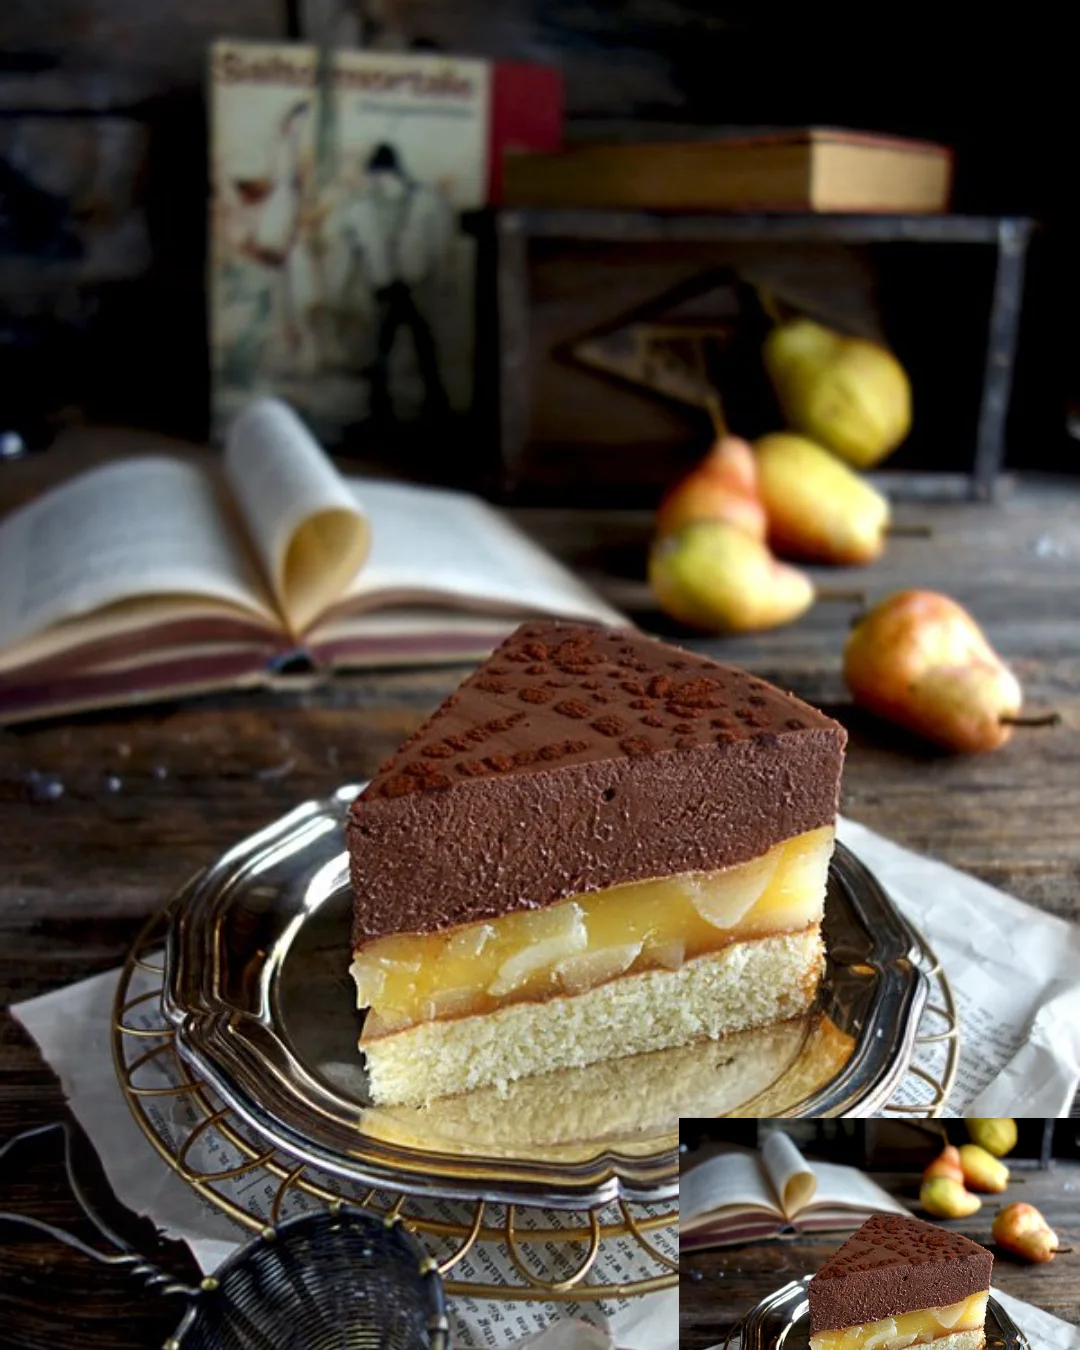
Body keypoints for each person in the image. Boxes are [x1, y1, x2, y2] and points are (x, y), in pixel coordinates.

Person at [341, 142, 454, 424]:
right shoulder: (362, 207)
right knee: (381, 347)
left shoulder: (424, 201)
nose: (377, 183)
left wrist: (439, 278)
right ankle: (380, 404)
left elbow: (439, 245)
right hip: (386, 285)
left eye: (380, 176)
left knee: (423, 346)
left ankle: (434, 400)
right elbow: (354, 247)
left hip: (415, 283)